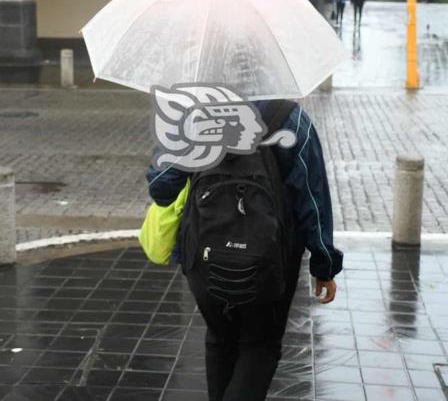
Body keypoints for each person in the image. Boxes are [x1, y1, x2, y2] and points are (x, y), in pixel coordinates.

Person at [146, 100, 342, 401]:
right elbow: (312, 200)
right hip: (272, 259)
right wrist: (324, 263)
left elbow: (162, 186)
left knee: (220, 339)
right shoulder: (288, 116)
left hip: (204, 253)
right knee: (260, 344)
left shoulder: (194, 111)